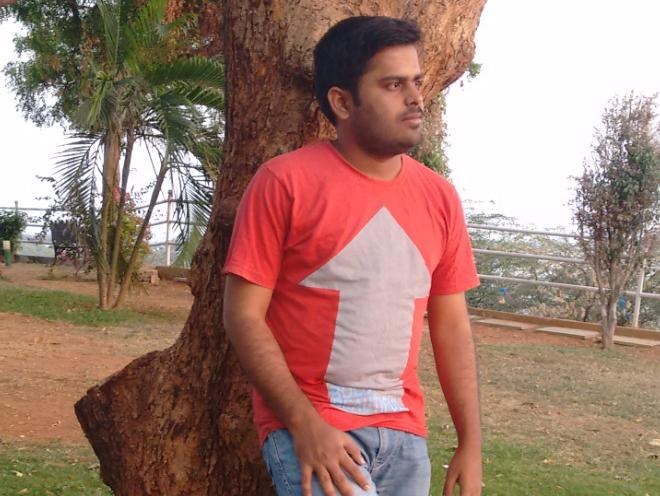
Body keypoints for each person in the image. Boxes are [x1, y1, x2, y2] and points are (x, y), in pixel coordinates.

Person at [222, 16, 482, 496]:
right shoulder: (285, 183)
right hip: (316, 427)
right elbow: (242, 316)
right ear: (342, 102)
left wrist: (471, 442)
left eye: (416, 82)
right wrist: (304, 425)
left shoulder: (440, 198)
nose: (416, 98)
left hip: (405, 438)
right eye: (393, 85)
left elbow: (452, 327)